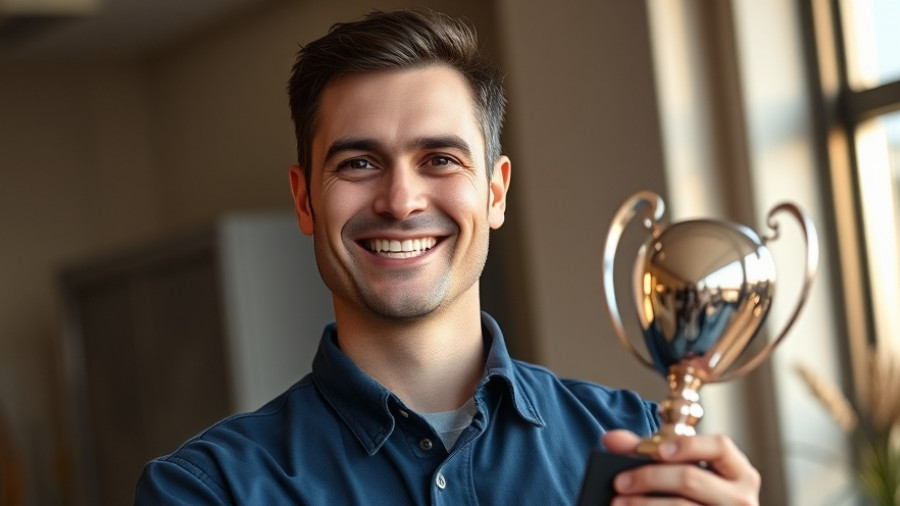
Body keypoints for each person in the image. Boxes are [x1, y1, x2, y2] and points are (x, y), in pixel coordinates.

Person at [135, 8, 760, 505]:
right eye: (359, 162)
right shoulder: (207, 491)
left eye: (439, 159)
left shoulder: (640, 442)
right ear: (304, 200)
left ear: (495, 192)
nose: (401, 201)